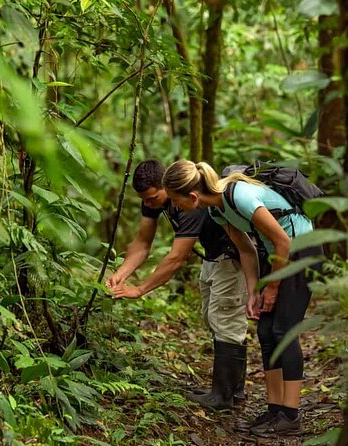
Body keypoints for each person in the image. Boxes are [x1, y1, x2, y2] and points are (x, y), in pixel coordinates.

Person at [162, 160, 322, 437]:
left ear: (192, 196)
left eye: (176, 201)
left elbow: (283, 241)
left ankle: (291, 415)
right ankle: (275, 410)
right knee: (265, 330)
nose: (175, 208)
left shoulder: (240, 196)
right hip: (276, 257)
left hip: (301, 252)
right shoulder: (216, 210)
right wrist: (254, 291)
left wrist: (271, 288)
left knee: (284, 330)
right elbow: (246, 249)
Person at [106, 160, 259, 410]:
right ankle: (232, 390)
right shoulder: (154, 200)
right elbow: (142, 243)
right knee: (213, 319)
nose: (148, 203)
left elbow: (177, 257)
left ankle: (223, 396)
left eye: (153, 197)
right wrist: (121, 274)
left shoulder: (188, 203)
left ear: (165, 187)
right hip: (213, 258)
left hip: (232, 259)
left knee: (225, 320)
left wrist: (140, 289)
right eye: (144, 199)